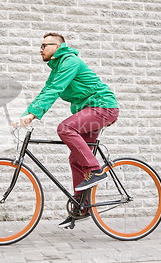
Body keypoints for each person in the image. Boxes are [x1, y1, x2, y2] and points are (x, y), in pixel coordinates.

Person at [14, 32, 119, 228]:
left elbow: (56, 90)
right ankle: (82, 206)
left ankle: (95, 170)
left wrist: (33, 115)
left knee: (65, 128)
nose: (40, 49)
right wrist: (27, 114)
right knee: (75, 157)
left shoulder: (70, 61)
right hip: (90, 109)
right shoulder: (57, 68)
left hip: (103, 106)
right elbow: (46, 90)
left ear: (57, 47)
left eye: (44, 45)